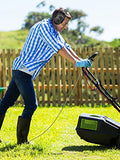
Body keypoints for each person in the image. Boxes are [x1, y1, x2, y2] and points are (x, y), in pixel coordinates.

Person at [0, 8, 92, 144]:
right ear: (57, 20)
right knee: (31, 105)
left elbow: (65, 46)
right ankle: (22, 141)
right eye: (64, 24)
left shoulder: (53, 31)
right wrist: (76, 63)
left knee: (6, 102)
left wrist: (80, 61)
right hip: (23, 70)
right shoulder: (44, 28)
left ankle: (20, 140)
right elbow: (59, 49)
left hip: (23, 71)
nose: (66, 27)